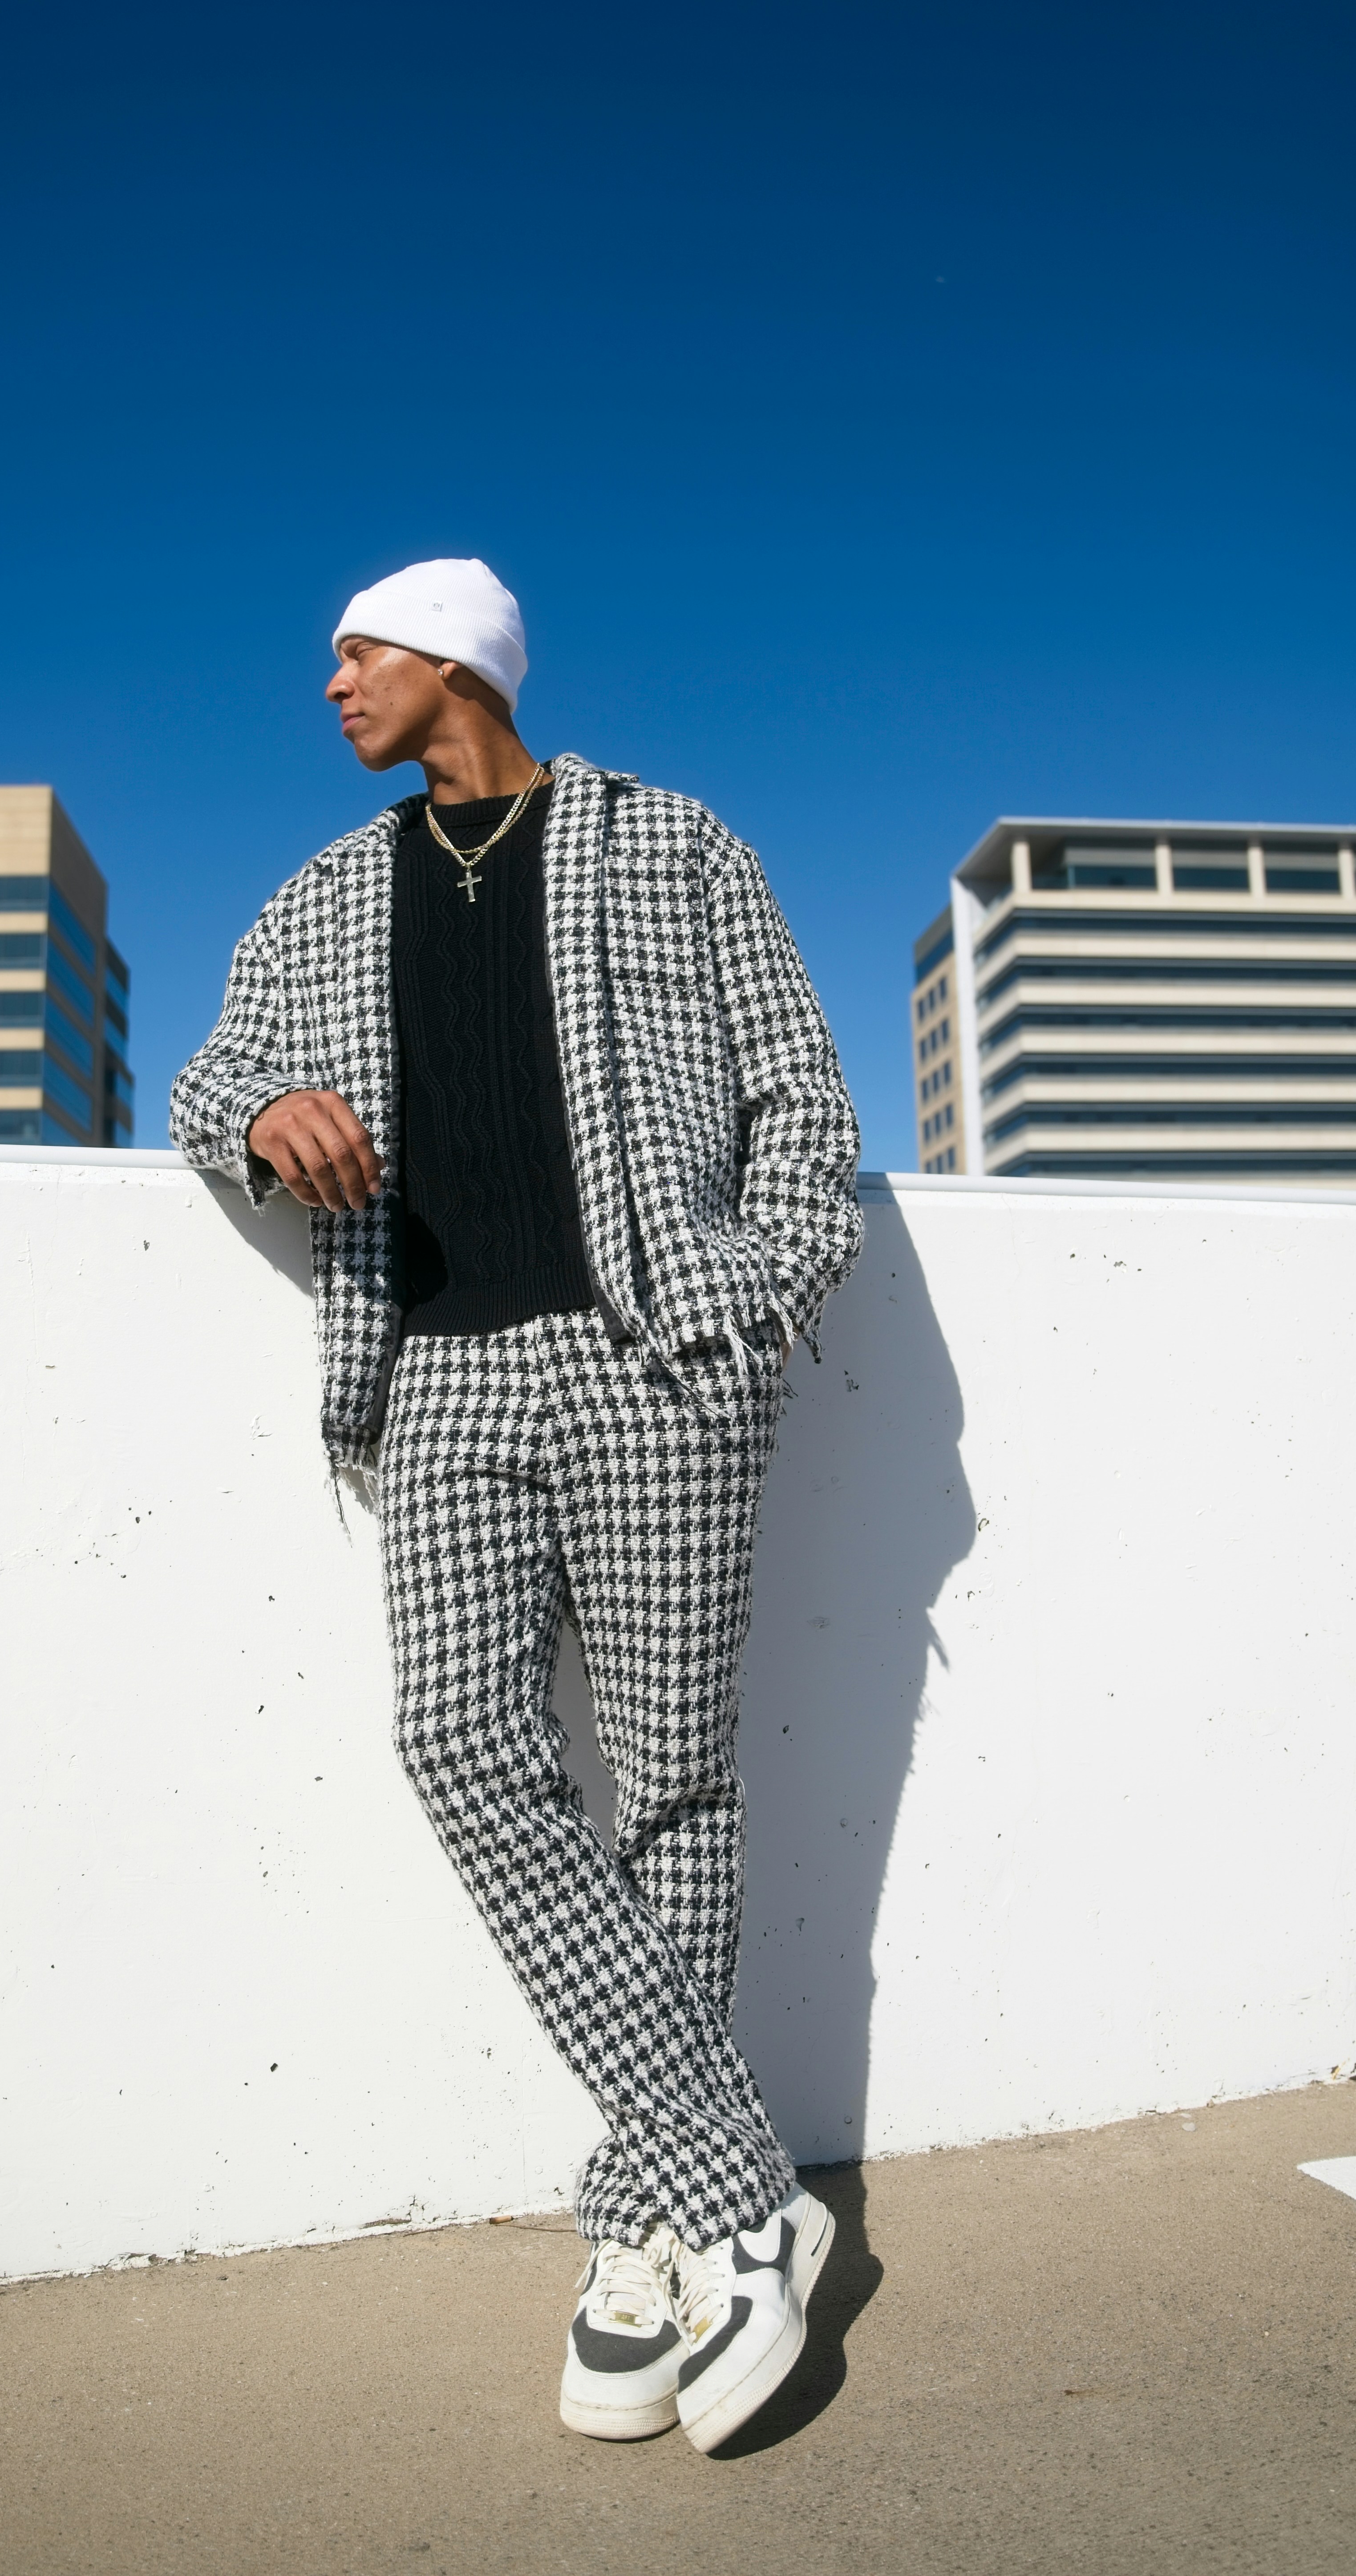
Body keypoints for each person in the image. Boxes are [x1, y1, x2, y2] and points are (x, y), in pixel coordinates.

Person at [171, 558, 863, 2453]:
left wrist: (758, 1289)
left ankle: (637, 2233)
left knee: (670, 1785)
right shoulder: (322, 893)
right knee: (458, 1741)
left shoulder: (672, 842)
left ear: (454, 659)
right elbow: (210, 1068)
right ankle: (742, 2192)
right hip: (439, 1373)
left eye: (356, 652)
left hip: (658, 1358)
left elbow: (805, 1096)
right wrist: (254, 1118)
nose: (329, 685)